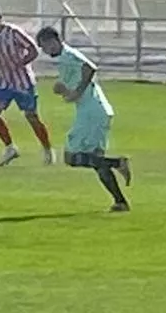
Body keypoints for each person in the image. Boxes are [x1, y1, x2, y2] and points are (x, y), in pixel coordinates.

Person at [36, 26, 131, 213]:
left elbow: (90, 68)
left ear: (53, 41)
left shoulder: (68, 55)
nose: (44, 51)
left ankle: (118, 163)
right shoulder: (65, 59)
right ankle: (120, 202)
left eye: (44, 46)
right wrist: (65, 91)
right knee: (96, 161)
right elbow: (74, 87)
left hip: (92, 113)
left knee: (72, 157)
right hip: (94, 111)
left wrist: (77, 91)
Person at [0, 1, 54, 168]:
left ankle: (47, 149)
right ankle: (10, 148)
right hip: (4, 81)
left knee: (31, 116)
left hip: (22, 82)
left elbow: (33, 49)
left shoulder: (13, 32)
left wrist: (22, 63)